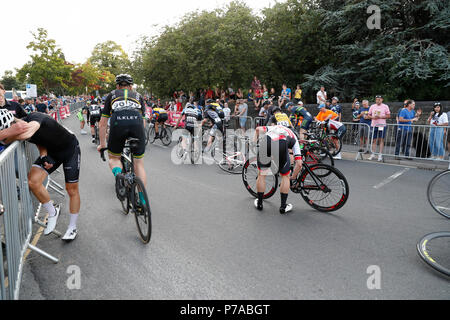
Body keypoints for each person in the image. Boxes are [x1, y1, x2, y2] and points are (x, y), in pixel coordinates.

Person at [0, 109, 82, 241]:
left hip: (70, 149)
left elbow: (29, 132)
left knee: (71, 189)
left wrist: (9, 133)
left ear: (12, 124)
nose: (7, 139)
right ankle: (52, 212)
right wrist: (43, 155)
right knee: (33, 182)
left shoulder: (35, 117)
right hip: (51, 152)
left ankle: (72, 227)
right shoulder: (17, 131)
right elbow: (39, 139)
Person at [97, 74, 147, 206]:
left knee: (114, 158)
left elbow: (102, 123)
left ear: (117, 86)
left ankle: (119, 175)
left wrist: (102, 145)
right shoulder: (138, 96)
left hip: (118, 124)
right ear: (131, 86)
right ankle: (142, 199)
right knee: (139, 163)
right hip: (137, 125)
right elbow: (143, 122)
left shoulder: (112, 95)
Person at [253, 125, 303, 214]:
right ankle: (283, 207)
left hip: (266, 143)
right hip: (282, 145)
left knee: (262, 174)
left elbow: (257, 129)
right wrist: (293, 177)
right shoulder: (293, 137)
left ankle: (259, 203)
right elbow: (299, 164)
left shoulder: (275, 127)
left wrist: (254, 143)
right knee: (285, 176)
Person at [368, 95, 391, 161]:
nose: (378, 100)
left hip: (382, 125)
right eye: (377, 99)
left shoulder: (385, 106)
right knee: (374, 140)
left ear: (382, 99)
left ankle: (380, 155)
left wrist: (380, 117)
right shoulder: (372, 106)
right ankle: (373, 154)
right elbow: (369, 115)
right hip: (374, 125)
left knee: (381, 140)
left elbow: (388, 115)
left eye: (379, 99)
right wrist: (373, 117)